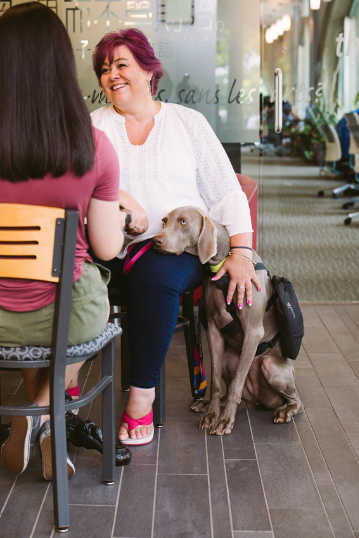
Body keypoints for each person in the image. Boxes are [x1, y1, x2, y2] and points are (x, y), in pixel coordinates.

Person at [0, 2, 124, 479]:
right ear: (62, 63)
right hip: (69, 320)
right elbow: (106, 248)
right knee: (87, 291)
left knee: (29, 289)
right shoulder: (92, 144)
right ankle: (43, 413)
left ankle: (38, 422)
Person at [89, 28, 255, 446]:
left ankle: (141, 397)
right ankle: (64, 385)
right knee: (71, 266)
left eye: (122, 65)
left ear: (149, 70)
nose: (112, 75)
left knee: (157, 275)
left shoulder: (187, 123)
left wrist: (241, 252)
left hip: (176, 249)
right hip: (108, 243)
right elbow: (72, 185)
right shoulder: (92, 126)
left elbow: (226, 192)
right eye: (105, 69)